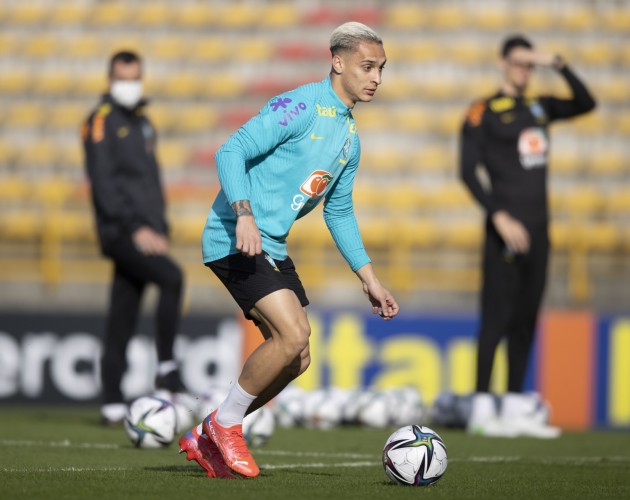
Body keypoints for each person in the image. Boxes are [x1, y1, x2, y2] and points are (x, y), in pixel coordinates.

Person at [178, 22, 398, 479]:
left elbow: (339, 212)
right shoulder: (299, 106)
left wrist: (369, 279)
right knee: (293, 334)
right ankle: (226, 426)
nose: (376, 77)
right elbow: (230, 151)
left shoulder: (349, 139)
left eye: (380, 68)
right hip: (234, 235)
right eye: (367, 66)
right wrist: (243, 214)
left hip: (271, 244)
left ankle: (211, 431)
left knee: (299, 358)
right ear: (337, 62)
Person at [460, 35, 595, 438]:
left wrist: (557, 62)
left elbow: (587, 103)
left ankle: (516, 406)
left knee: (526, 318)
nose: (524, 70)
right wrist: (498, 216)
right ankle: (482, 406)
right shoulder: (482, 111)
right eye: (518, 62)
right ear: (502, 63)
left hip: (539, 229)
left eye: (529, 64)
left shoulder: (540, 107)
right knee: (496, 317)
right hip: (503, 229)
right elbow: (467, 171)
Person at [82, 51, 186, 426]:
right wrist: (134, 228)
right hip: (120, 232)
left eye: (135, 77)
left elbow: (151, 183)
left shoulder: (143, 123)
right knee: (172, 277)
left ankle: (111, 399)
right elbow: (104, 185)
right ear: (110, 80)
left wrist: (159, 227)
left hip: (147, 231)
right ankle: (167, 365)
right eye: (123, 78)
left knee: (123, 311)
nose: (130, 85)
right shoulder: (99, 121)